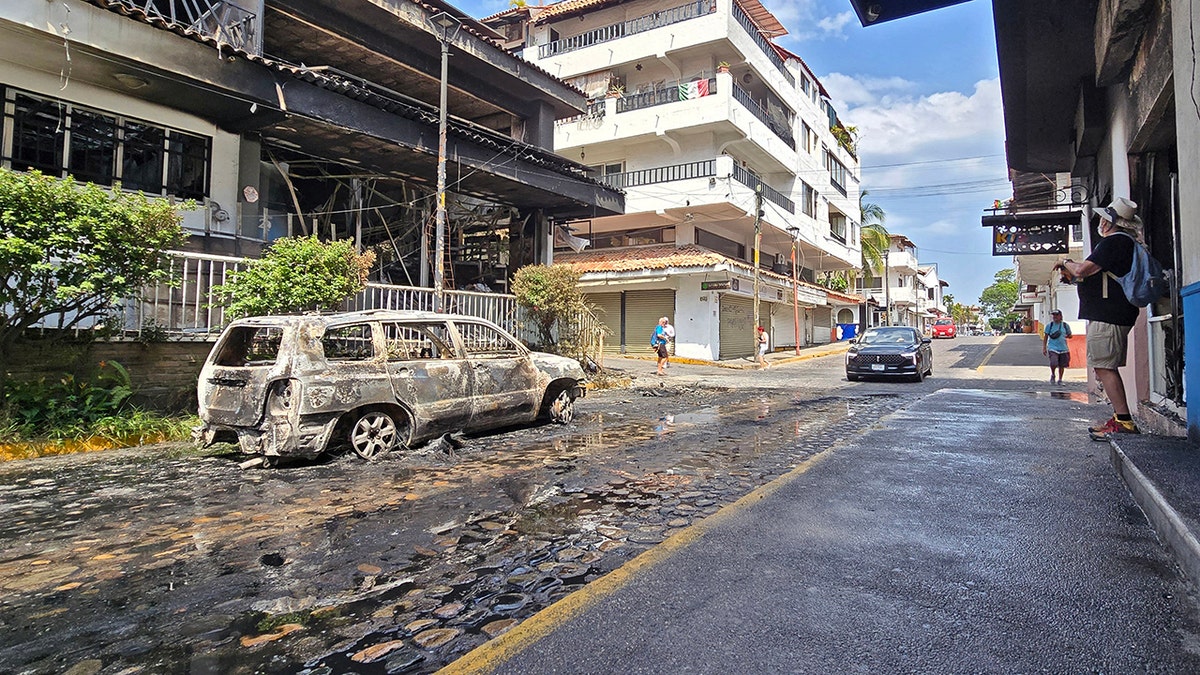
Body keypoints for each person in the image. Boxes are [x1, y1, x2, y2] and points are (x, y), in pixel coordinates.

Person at [1054, 197, 1143, 440]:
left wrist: (1066, 261)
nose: (1100, 222)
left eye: (1104, 218)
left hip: (1109, 315)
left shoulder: (1115, 242)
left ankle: (1124, 421)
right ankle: (1119, 419)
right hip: (1111, 314)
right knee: (1104, 366)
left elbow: (1084, 269)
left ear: (1110, 222)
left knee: (1104, 367)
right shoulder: (1124, 244)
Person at [1041, 309, 1072, 385]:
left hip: (1063, 348)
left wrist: (1066, 336)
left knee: (1062, 365)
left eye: (1056, 315)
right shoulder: (1050, 326)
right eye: (1053, 315)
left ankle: (1060, 379)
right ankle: (1053, 374)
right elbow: (1045, 337)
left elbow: (1070, 335)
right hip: (1052, 347)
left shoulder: (1065, 325)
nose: (1055, 317)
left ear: (1060, 316)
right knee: (1053, 362)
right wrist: (1044, 347)